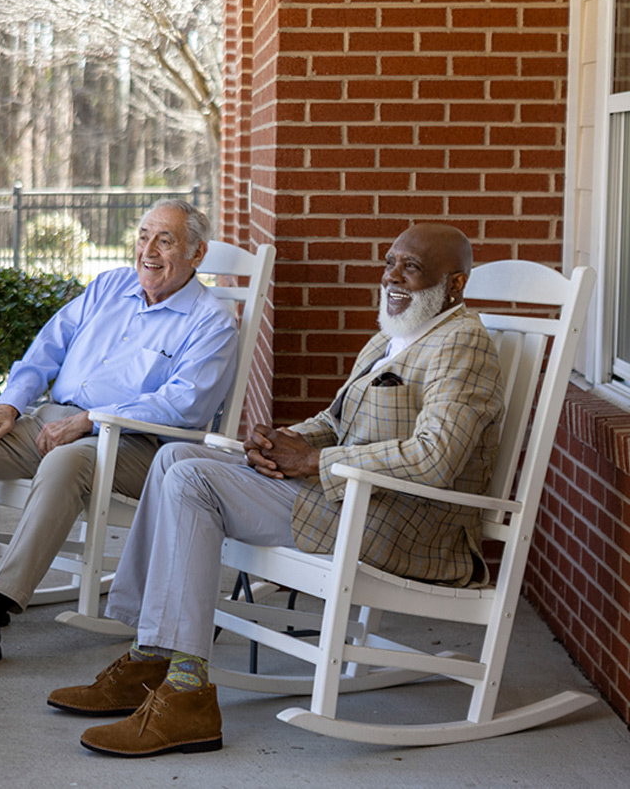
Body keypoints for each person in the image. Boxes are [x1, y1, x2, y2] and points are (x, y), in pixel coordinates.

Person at [49, 222, 505, 758]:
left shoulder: (463, 343)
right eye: (388, 263)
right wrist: (284, 438)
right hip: (345, 498)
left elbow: (437, 456)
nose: (392, 278)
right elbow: (335, 421)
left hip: (391, 519)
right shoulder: (394, 334)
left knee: (193, 479)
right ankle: (151, 656)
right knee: (175, 455)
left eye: (411, 268)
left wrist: (314, 460)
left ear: (454, 285)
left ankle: (186, 691)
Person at [0, 199, 240, 672]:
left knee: (66, 462)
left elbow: (185, 404)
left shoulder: (211, 323)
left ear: (197, 253)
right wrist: (11, 402)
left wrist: (91, 419)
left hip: (137, 445)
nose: (149, 250)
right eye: (144, 235)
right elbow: (49, 345)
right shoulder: (111, 286)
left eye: (165, 240)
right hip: (55, 420)